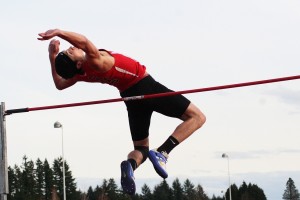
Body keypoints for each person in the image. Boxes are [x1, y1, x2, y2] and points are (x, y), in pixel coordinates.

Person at [38, 29, 206, 195]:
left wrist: (52, 57)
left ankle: (130, 165)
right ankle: (163, 152)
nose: (72, 48)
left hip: (130, 97)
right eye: (70, 52)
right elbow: (84, 41)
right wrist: (58, 32)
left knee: (141, 149)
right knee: (197, 117)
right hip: (146, 86)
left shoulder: (79, 74)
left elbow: (59, 84)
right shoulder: (94, 62)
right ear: (78, 64)